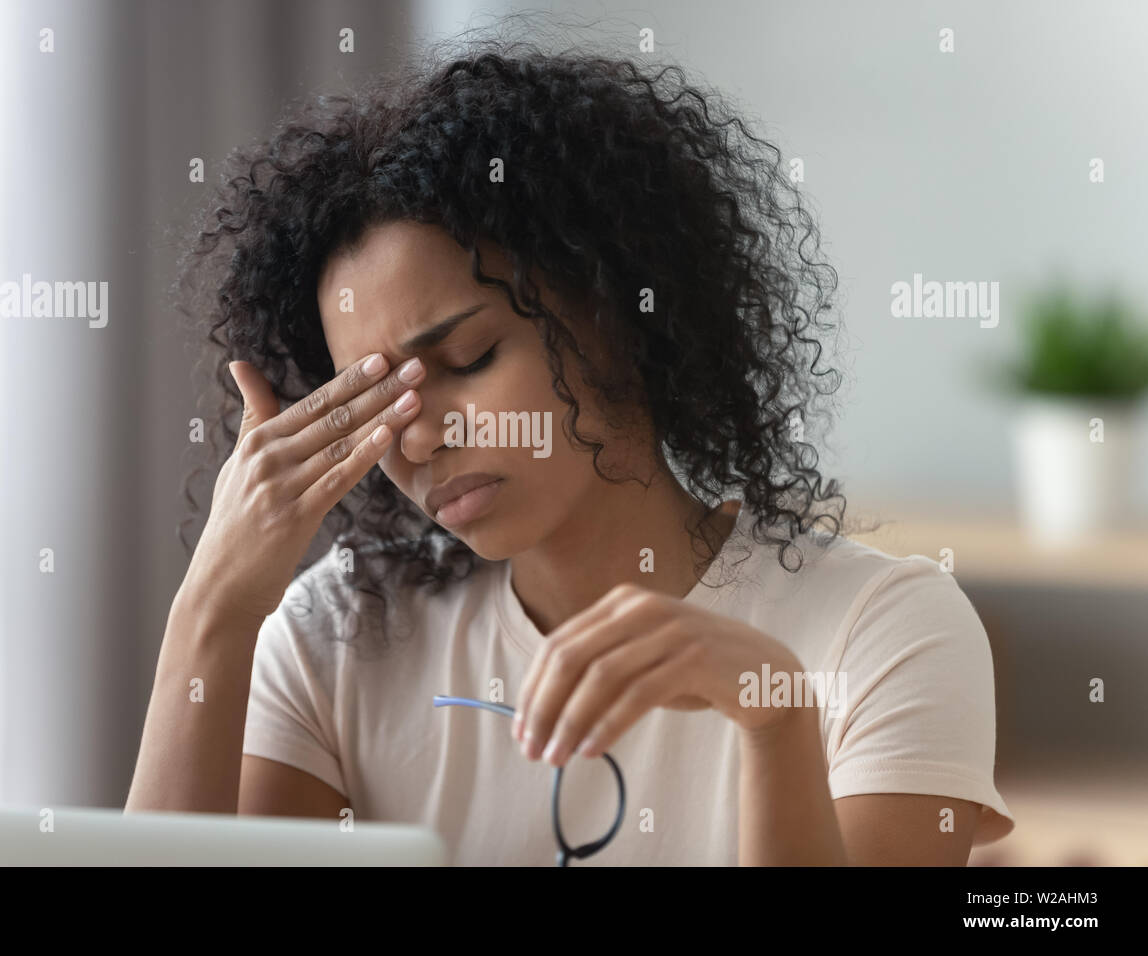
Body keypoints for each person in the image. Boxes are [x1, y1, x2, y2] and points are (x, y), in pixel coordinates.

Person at [126, 34, 1014, 865]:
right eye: (373, 399)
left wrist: (774, 720)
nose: (423, 434)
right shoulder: (340, 642)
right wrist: (212, 611)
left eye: (467, 359)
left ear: (620, 312)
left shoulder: (882, 631)